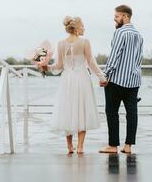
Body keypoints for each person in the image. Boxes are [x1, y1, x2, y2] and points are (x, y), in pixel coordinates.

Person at [37, 16, 107, 154]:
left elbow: (58, 66)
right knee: (82, 110)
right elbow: (91, 62)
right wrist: (102, 76)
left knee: (67, 110)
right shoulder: (85, 42)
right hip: (81, 79)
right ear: (76, 29)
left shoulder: (61, 43)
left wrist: (46, 67)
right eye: (82, 26)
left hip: (67, 79)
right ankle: (80, 147)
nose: (84, 28)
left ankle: (69, 146)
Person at [99, 5, 144, 154]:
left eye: (117, 16)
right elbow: (139, 58)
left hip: (117, 80)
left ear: (125, 16)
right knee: (132, 113)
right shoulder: (139, 35)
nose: (114, 18)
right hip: (134, 80)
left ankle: (113, 146)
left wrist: (105, 75)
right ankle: (128, 146)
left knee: (112, 112)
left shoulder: (120, 32)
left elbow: (114, 56)